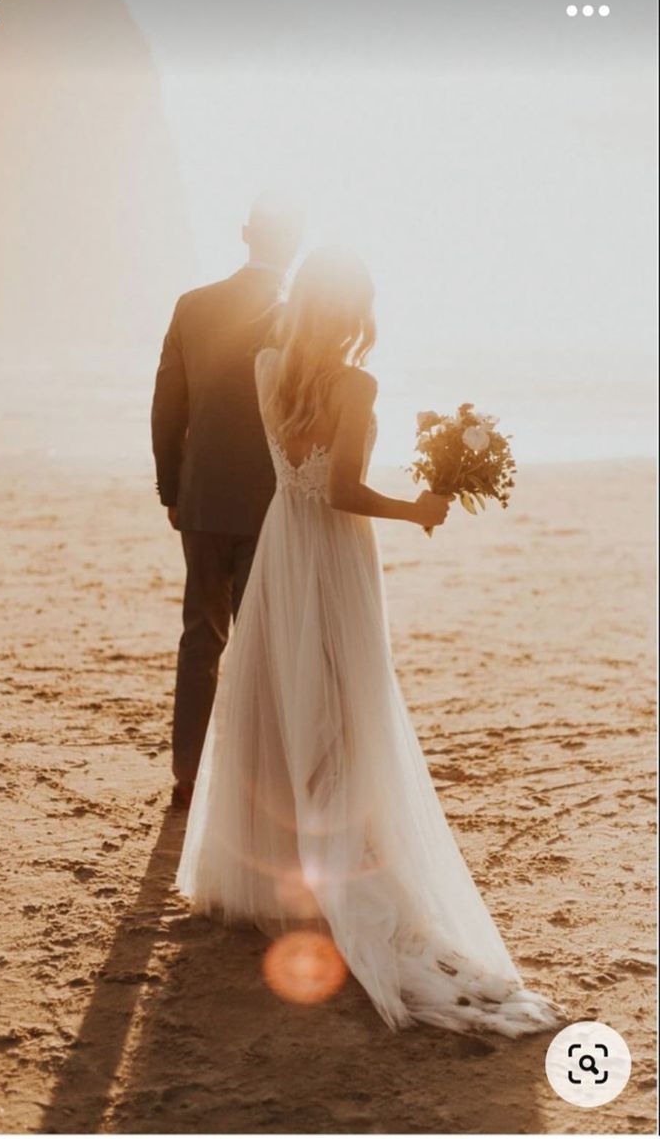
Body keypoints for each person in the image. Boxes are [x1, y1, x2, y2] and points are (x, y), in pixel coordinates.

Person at [176, 246, 567, 1036]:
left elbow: (301, 480)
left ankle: (267, 880)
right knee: (343, 707)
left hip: (283, 542)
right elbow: (346, 491)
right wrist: (420, 510)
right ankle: (341, 878)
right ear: (354, 309)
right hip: (333, 552)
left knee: (279, 695)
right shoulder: (355, 383)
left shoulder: (265, 363)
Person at [151, 196, 303, 809]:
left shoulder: (194, 305)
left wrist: (172, 489)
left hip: (205, 497)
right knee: (264, 638)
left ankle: (187, 772)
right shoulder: (295, 316)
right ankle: (258, 779)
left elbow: (168, 408)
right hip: (272, 501)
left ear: (245, 235)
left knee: (201, 634)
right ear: (295, 242)